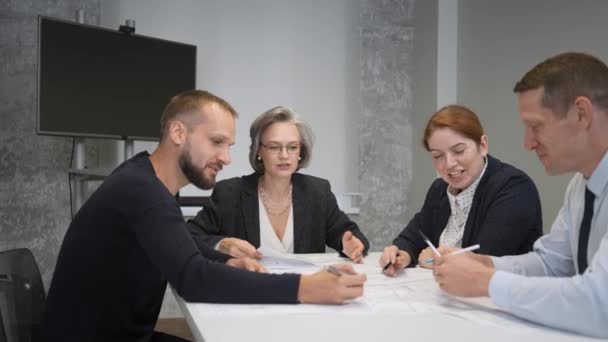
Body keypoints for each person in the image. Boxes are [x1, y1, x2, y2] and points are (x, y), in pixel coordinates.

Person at [39, 91, 367, 342]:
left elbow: (182, 248)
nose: (225, 157)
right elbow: (194, 279)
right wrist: (308, 288)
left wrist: (224, 261)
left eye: (229, 145)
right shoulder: (144, 193)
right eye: (216, 142)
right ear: (178, 132)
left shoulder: (142, 180)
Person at [432, 52, 608, 338]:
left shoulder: (512, 185)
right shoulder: (580, 186)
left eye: (536, 126)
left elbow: (600, 303)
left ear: (581, 114)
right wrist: (485, 264)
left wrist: (487, 282)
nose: (527, 143)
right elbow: (552, 263)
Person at [187, 106, 369, 262]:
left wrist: (351, 245)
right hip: (248, 294)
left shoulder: (317, 192)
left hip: (305, 294)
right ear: (259, 150)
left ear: (300, 152)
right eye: (274, 147)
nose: (284, 155)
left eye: (292, 147)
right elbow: (188, 236)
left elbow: (350, 236)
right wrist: (222, 244)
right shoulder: (230, 192)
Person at [380, 105, 543, 274]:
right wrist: (401, 253)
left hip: (499, 296)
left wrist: (435, 260)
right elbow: (413, 236)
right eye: (438, 156)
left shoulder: (514, 188)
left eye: (458, 150)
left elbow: (486, 260)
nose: (449, 163)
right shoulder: (439, 189)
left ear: (483, 145)